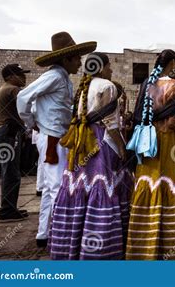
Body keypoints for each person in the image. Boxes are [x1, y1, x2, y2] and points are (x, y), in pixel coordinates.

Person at [49, 52, 133, 260]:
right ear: (101, 66)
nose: (112, 70)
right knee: (104, 185)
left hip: (82, 143)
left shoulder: (83, 88)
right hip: (103, 142)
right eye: (109, 65)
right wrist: (122, 147)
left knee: (79, 186)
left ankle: (72, 243)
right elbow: (111, 123)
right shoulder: (107, 86)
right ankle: (102, 247)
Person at [17, 32, 96, 248]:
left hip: (56, 136)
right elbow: (23, 97)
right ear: (66, 59)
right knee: (58, 187)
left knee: (52, 187)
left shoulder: (61, 77)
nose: (80, 62)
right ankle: (60, 237)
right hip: (52, 137)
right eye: (77, 58)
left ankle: (44, 233)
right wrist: (31, 122)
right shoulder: (54, 76)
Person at [126, 50, 175, 260]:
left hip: (148, 143)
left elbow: (139, 115)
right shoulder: (174, 85)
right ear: (173, 63)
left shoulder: (147, 85)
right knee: (173, 183)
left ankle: (144, 241)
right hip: (169, 142)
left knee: (150, 182)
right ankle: (173, 241)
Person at [0, 64, 31, 222]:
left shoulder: (2, 89)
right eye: (19, 74)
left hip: (3, 131)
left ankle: (9, 208)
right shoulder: (13, 90)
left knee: (7, 171)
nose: (23, 77)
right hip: (9, 132)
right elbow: (26, 110)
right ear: (9, 76)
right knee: (12, 173)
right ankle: (7, 210)